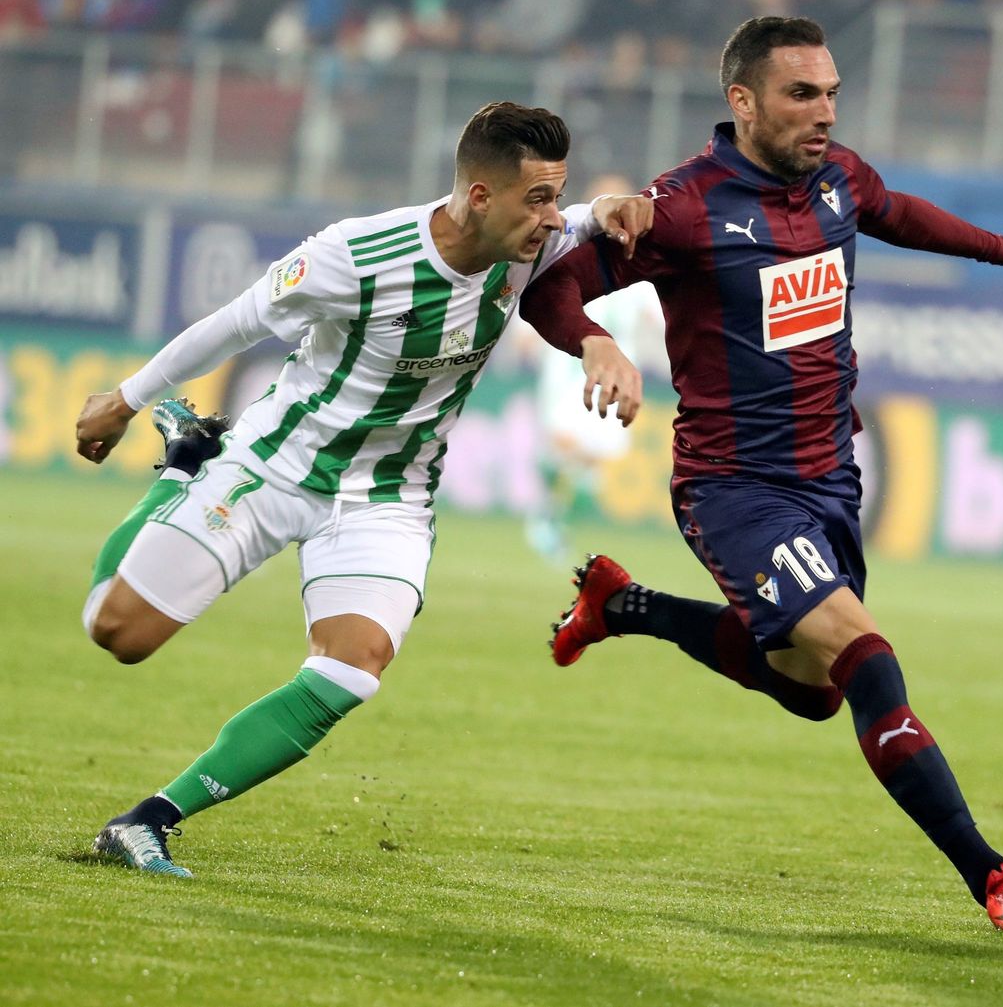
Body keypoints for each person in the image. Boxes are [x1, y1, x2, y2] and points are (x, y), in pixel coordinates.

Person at [524, 16, 1003, 933]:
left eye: (831, 93)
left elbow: (894, 210)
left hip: (830, 476)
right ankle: (993, 873)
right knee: (867, 658)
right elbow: (550, 289)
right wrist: (593, 340)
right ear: (743, 102)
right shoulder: (682, 207)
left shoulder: (838, 178)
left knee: (810, 689)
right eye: (801, 95)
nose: (825, 111)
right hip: (733, 488)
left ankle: (624, 605)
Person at [74, 102, 652, 877]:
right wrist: (124, 398)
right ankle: (185, 466)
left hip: (389, 495)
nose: (553, 218)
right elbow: (236, 323)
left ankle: (149, 820)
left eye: (559, 197)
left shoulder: (526, 241)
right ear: (480, 196)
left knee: (351, 667)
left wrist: (603, 210)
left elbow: (584, 222)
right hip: (276, 466)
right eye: (539, 199)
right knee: (117, 633)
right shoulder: (356, 254)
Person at [526, 172, 663, 565]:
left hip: (615, 377)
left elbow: (660, 318)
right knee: (567, 443)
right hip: (568, 372)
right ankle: (546, 519)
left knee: (595, 458)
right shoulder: (563, 259)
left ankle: (552, 516)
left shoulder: (638, 270)